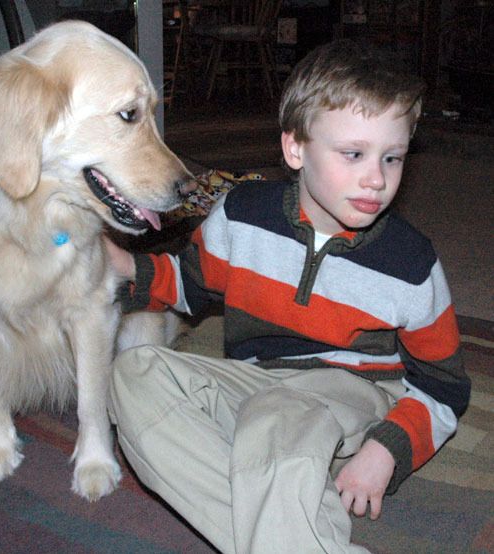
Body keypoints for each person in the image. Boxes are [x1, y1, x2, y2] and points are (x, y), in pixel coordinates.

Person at [105, 39, 471, 553]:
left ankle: (284, 503)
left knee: (278, 419)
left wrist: (388, 450)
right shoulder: (241, 213)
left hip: (353, 394)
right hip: (254, 385)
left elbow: (445, 387)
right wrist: (125, 266)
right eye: (354, 154)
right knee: (133, 374)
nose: (377, 178)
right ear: (294, 148)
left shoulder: (410, 263)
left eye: (393, 157)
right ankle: (291, 511)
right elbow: (189, 283)